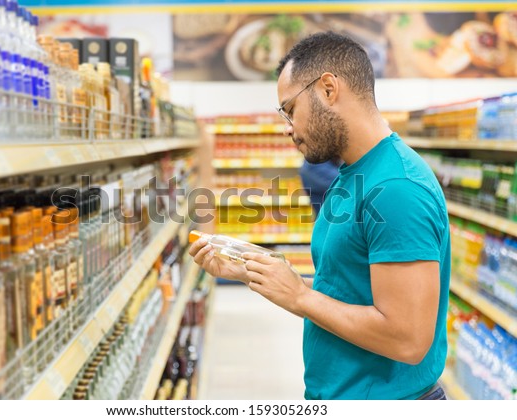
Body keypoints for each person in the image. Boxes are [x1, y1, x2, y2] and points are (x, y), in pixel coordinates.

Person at [189, 31, 450, 400]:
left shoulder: (397, 187)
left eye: (290, 109)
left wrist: (299, 297)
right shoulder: (352, 174)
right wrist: (252, 269)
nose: (288, 127)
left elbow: (407, 340)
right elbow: (347, 291)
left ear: (328, 88)